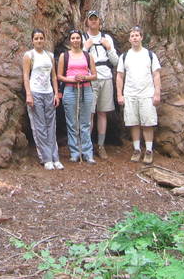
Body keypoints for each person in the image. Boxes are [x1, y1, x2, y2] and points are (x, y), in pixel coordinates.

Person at [116, 26, 161, 164]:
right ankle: (136, 149)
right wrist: (119, 94)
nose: (135, 38)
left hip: (147, 94)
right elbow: (119, 76)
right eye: (132, 36)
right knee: (133, 123)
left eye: (137, 35)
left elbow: (156, 75)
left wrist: (157, 93)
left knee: (147, 123)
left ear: (141, 37)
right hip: (130, 94)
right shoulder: (125, 56)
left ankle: (148, 150)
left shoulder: (150, 55)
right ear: (129, 39)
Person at [23, 29, 63, 170]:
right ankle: (46, 158)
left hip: (48, 92)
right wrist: (29, 94)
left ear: (44, 39)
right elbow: (26, 76)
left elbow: (53, 76)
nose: (39, 40)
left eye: (41, 38)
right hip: (35, 92)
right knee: (39, 126)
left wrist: (56, 93)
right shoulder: (29, 55)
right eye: (36, 38)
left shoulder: (50, 55)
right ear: (32, 40)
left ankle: (55, 157)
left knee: (51, 125)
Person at [57, 29, 98, 163]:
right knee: (72, 123)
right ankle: (75, 152)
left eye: (77, 38)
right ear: (70, 40)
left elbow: (94, 75)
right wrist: (72, 79)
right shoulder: (65, 56)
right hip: (70, 90)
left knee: (85, 123)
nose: (75, 40)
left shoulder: (87, 56)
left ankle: (87, 152)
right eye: (73, 38)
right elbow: (59, 76)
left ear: (81, 40)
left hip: (86, 90)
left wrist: (84, 77)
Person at [82, 10, 118, 160]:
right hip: (90, 78)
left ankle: (101, 145)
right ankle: (87, 146)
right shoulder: (83, 38)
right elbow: (77, 61)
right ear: (87, 22)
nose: (94, 21)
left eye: (96, 19)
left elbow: (116, 62)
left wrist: (108, 48)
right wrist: (85, 48)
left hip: (106, 77)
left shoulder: (106, 38)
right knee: (89, 113)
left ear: (99, 22)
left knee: (102, 113)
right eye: (91, 19)